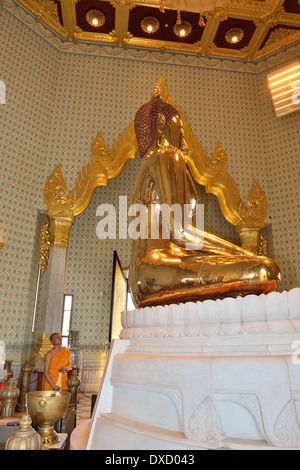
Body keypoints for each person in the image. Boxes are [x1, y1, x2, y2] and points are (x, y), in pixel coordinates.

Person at [128, 94, 280, 308]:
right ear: (161, 124)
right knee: (265, 269)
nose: (185, 142)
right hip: (160, 267)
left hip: (146, 276)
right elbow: (181, 232)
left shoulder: (147, 164)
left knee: (257, 271)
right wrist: (243, 253)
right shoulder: (166, 155)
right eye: (180, 130)